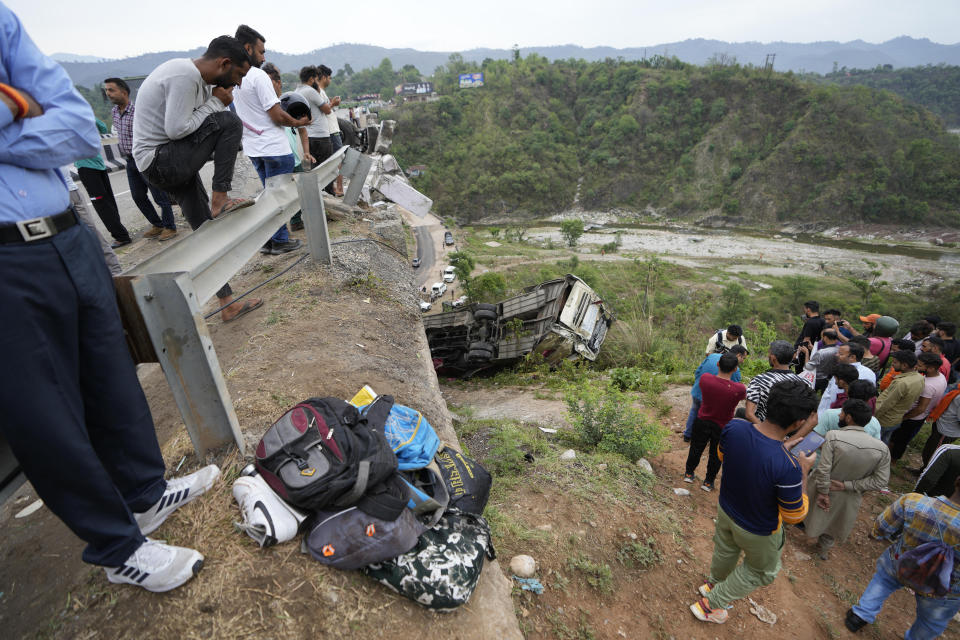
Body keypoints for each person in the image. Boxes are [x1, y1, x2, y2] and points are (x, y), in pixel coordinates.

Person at [0, 3, 220, 593]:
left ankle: (145, 494)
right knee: (42, 409)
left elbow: (75, 126)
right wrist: (17, 106)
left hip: (65, 235)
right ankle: (116, 545)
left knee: (110, 367)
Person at [133, 35, 263, 323]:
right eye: (239, 74)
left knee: (206, 232)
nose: (239, 83)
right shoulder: (184, 74)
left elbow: (192, 127)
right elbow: (177, 129)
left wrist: (213, 101)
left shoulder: (199, 81)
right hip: (160, 161)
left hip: (167, 160)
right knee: (230, 122)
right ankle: (221, 198)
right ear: (224, 63)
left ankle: (227, 303)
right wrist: (217, 103)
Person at [689, 380, 818, 624]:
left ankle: (712, 585)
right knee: (760, 571)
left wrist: (783, 448)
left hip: (727, 509)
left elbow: (722, 456)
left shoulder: (734, 427)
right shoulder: (789, 467)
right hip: (758, 529)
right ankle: (710, 605)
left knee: (726, 550)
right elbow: (794, 516)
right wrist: (803, 471)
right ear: (800, 422)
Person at [845, 476, 960, 638]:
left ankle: (860, 616)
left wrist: (876, 535)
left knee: (884, 580)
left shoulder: (914, 501)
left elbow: (882, 526)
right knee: (931, 622)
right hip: (944, 588)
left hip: (900, 563)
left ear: (956, 481)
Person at [231, 25, 307, 255]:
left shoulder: (235, 78)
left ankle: (270, 239)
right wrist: (297, 123)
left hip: (254, 148)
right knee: (280, 196)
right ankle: (280, 240)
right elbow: (275, 115)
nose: (264, 57)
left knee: (267, 196)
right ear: (248, 48)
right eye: (261, 52)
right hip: (274, 147)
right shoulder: (258, 76)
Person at [804, 399, 890, 559]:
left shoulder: (834, 436)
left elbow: (824, 468)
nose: (840, 415)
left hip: (824, 486)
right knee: (836, 521)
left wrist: (823, 491)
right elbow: (881, 481)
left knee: (807, 509)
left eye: (842, 413)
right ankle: (823, 549)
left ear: (849, 417)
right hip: (850, 494)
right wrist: (848, 485)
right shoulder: (882, 448)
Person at [103, 76, 178, 241]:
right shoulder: (115, 112)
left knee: (159, 195)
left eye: (111, 90)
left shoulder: (138, 111)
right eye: (106, 90)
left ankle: (170, 227)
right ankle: (157, 224)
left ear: (124, 92)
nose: (108, 93)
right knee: (138, 196)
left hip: (145, 158)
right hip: (130, 161)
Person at [684, 352, 746, 492]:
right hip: (722, 426)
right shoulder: (739, 389)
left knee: (696, 448)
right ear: (735, 369)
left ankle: (688, 473)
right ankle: (708, 482)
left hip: (702, 420)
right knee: (715, 454)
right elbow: (744, 396)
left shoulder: (705, 379)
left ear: (718, 364)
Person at [74, 118, 133, 248]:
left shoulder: (71, 123)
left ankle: (121, 236)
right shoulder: (87, 119)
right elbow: (103, 128)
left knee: (101, 204)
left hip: (86, 167)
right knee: (109, 201)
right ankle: (121, 233)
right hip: (99, 164)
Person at [60, 166, 122, 275]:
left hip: (67, 193)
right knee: (88, 232)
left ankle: (114, 271)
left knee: (87, 233)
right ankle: (112, 270)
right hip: (69, 192)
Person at [888, 352, 948, 464]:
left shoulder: (928, 385)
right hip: (920, 416)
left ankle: (891, 461)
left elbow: (921, 408)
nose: (916, 367)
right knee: (900, 440)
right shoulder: (941, 377)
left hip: (912, 418)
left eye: (920, 365)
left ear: (930, 368)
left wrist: (904, 417)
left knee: (897, 441)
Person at [683, 345, 747, 442]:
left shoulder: (712, 356)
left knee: (695, 410)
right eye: (743, 358)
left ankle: (687, 435)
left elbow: (697, 371)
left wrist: (699, 384)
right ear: (738, 355)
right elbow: (734, 388)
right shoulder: (735, 369)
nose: (742, 361)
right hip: (712, 398)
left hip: (698, 391)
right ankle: (710, 438)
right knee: (712, 418)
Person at [744, 340, 806, 426]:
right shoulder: (804, 383)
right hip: (789, 432)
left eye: (769, 353)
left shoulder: (760, 380)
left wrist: (766, 432)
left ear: (773, 358)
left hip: (764, 429)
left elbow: (749, 414)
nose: (768, 355)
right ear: (792, 357)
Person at [876, 351, 925, 444]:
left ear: (904, 365)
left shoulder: (901, 383)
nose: (892, 364)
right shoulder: (919, 378)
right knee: (885, 441)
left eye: (894, 362)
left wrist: (872, 417)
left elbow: (886, 404)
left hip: (884, 420)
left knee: (876, 443)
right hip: (897, 419)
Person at [818, 342, 877, 413]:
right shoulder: (870, 372)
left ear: (852, 357)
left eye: (841, 354)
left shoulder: (843, 374)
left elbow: (832, 397)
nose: (836, 355)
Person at [295, 65, 332, 172]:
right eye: (316, 79)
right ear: (311, 79)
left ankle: (318, 189)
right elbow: (327, 110)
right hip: (320, 136)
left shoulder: (297, 91)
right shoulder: (310, 91)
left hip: (308, 136)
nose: (317, 82)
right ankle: (328, 189)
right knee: (326, 169)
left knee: (315, 169)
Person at [316, 64, 344, 196]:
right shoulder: (318, 92)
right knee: (338, 159)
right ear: (325, 77)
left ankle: (335, 188)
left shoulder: (321, 92)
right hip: (330, 131)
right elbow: (324, 110)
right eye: (330, 78)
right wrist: (333, 104)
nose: (330, 80)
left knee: (335, 159)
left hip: (332, 130)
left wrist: (331, 103)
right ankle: (338, 189)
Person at [918, 391, 960, 470]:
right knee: (931, 451)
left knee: (932, 451)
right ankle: (924, 471)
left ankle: (925, 472)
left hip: (945, 429)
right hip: (945, 429)